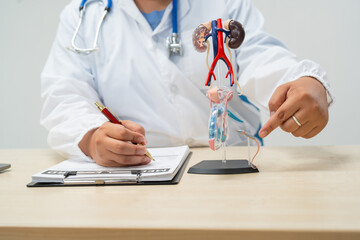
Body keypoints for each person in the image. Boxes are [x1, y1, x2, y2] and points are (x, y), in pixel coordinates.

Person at [41, 0, 333, 167]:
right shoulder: (83, 16)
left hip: (231, 169)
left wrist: (303, 81)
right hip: (139, 172)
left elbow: (261, 55)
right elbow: (65, 95)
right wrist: (92, 137)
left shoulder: (225, 4)